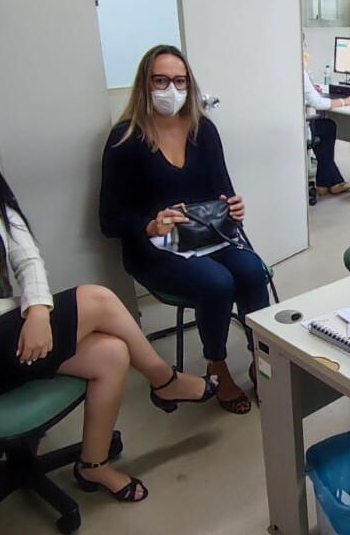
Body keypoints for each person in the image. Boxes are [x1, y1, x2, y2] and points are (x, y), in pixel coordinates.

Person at [0, 75, 217, 504]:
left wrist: (38, 310)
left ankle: (94, 466)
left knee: (112, 353)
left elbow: (27, 256)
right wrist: (28, 309)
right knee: (96, 299)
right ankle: (165, 380)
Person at [99, 45, 270, 416]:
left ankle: (262, 359)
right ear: (144, 85)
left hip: (207, 236)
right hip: (155, 249)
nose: (171, 90)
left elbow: (224, 191)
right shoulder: (125, 140)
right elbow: (109, 220)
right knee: (217, 283)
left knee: (253, 271)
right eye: (160, 81)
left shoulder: (203, 130)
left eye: (179, 81)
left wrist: (234, 208)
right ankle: (217, 366)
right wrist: (149, 224)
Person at [303, 40, 350, 196]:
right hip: (299, 128)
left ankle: (326, 183)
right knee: (327, 126)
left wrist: (312, 90)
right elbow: (318, 103)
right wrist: (346, 101)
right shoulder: (298, 70)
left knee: (323, 125)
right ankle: (331, 182)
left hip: (293, 124)